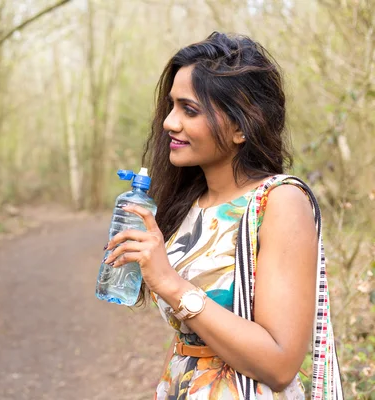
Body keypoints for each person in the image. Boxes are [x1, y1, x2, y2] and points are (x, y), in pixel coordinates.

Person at [102, 32, 343, 399]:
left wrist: (169, 282)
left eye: (189, 109)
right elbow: (190, 338)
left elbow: (280, 365)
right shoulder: (190, 204)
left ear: (241, 126)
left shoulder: (279, 202)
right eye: (171, 106)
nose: (168, 122)